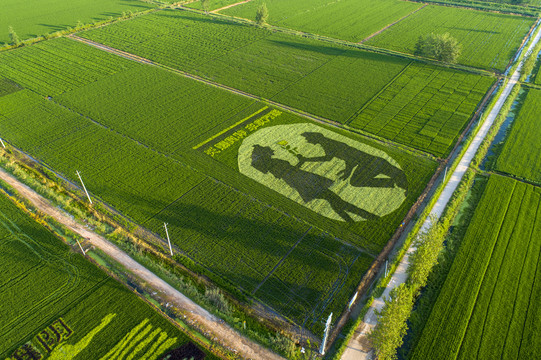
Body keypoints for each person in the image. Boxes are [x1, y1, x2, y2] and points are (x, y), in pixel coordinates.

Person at [251, 145, 378, 222]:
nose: (270, 151)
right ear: (265, 154)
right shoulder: (274, 165)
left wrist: (301, 161)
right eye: (267, 151)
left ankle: (355, 218)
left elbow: (288, 171)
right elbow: (286, 172)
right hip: (301, 180)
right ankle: (364, 216)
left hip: (299, 178)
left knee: (331, 198)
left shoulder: (274, 163)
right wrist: (301, 162)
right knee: (331, 197)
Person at [296, 132, 407, 191]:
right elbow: (349, 158)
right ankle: (395, 182)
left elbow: (329, 158)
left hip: (370, 164)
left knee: (356, 182)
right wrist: (348, 170)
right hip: (375, 161)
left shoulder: (328, 145)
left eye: (308, 138)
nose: (307, 140)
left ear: (315, 137)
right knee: (401, 177)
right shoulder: (328, 143)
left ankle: (393, 183)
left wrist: (306, 160)